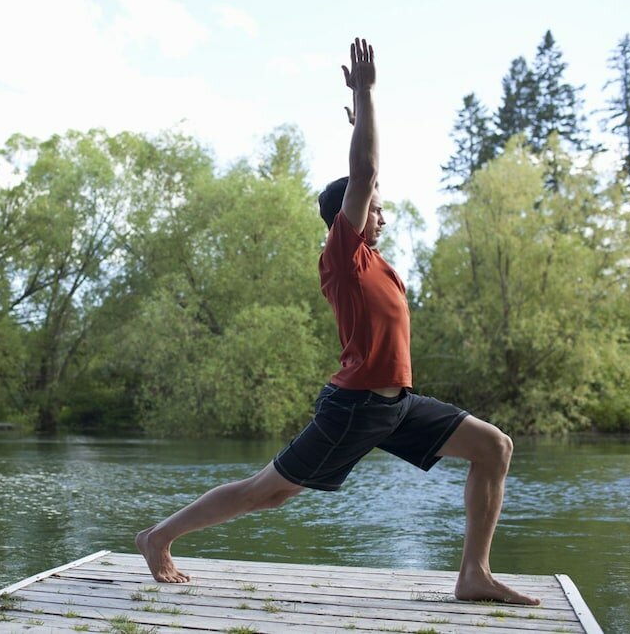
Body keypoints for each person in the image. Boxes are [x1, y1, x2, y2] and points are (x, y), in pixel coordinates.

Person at [135, 38, 539, 605]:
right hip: (356, 408)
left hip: (396, 406)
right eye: (373, 205)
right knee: (267, 493)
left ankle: (473, 574)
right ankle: (158, 537)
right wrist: (366, 97)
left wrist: (360, 125)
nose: (382, 211)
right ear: (346, 216)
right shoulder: (343, 256)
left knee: (494, 446)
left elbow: (371, 172)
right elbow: (365, 169)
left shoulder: (379, 265)